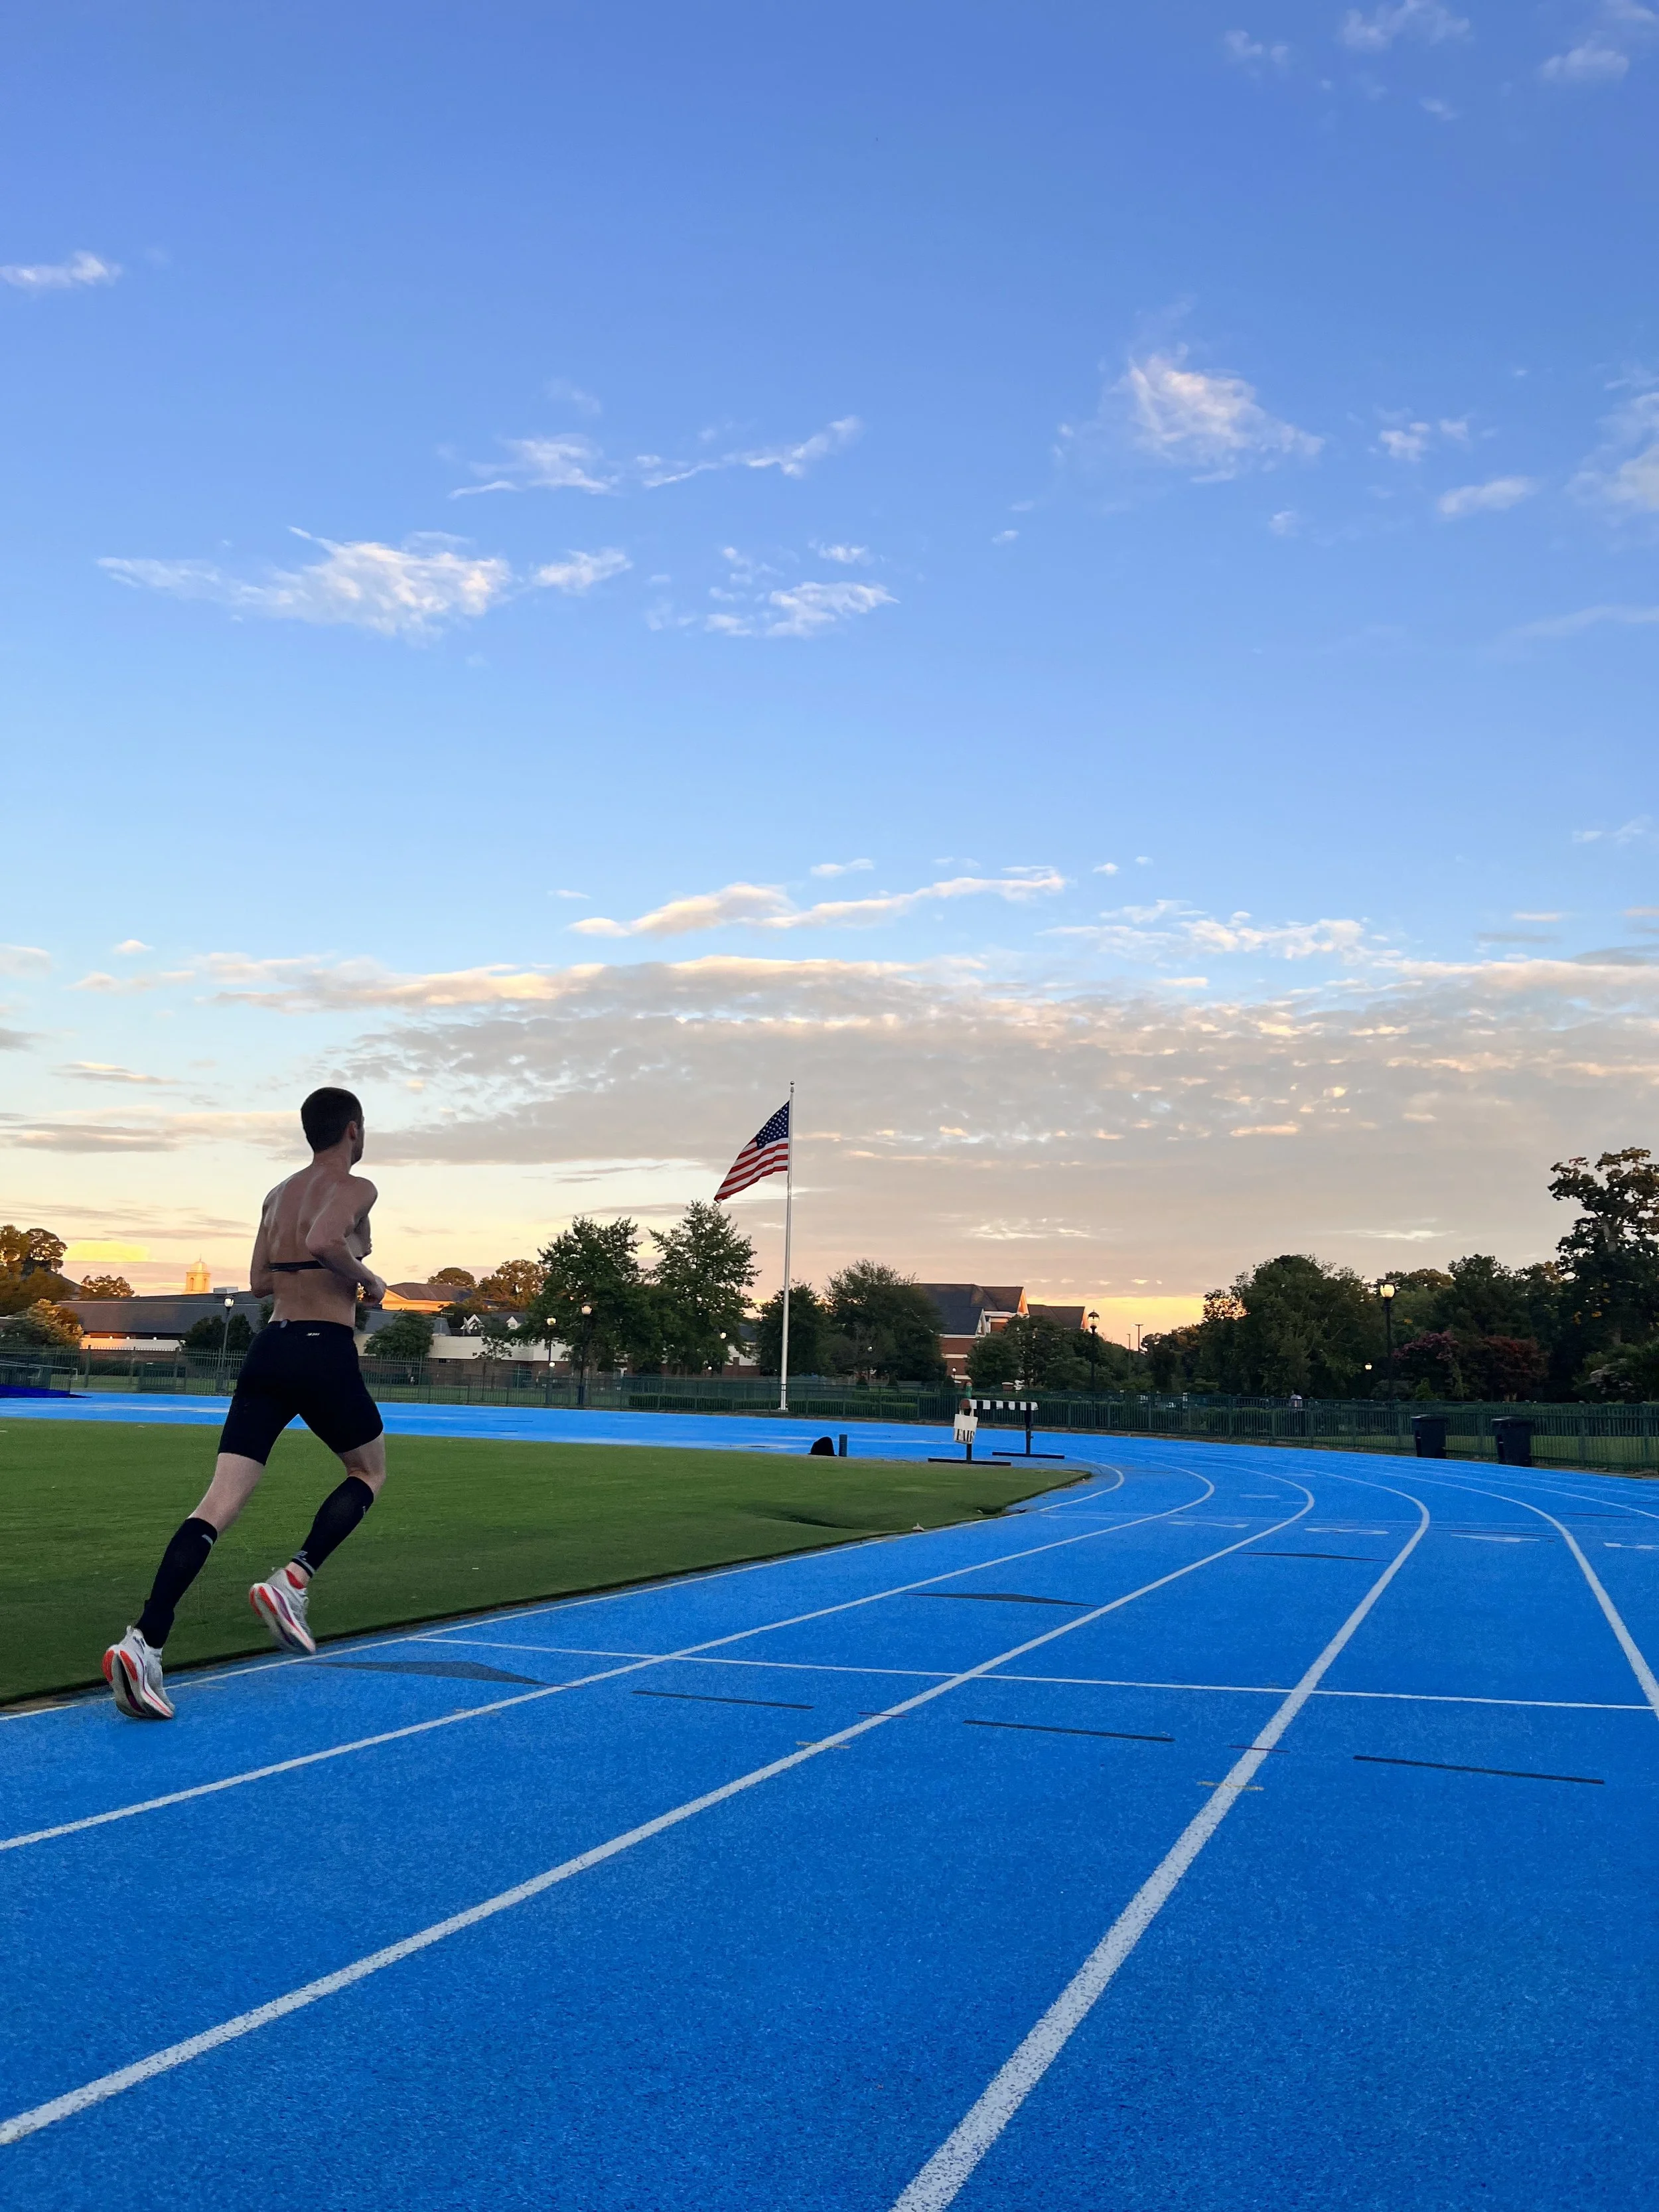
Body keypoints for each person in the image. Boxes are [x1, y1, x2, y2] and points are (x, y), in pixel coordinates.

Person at [103, 1086, 389, 1721]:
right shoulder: (358, 1185)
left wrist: (330, 1267)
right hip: (322, 1348)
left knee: (217, 1503)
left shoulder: (275, 1193)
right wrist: (367, 1279)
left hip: (271, 1348)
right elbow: (323, 1238)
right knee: (368, 1471)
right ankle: (294, 1580)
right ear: (351, 1129)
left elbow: (261, 1281)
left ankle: (145, 1641)